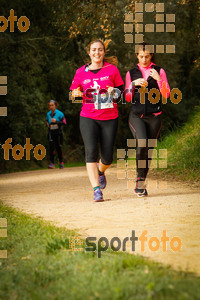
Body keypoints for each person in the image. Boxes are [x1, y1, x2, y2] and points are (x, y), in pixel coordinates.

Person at [70, 39, 124, 202]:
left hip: (109, 117)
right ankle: (96, 190)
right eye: (94, 50)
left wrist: (113, 91)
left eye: (100, 50)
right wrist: (75, 94)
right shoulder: (80, 72)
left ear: (104, 52)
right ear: (89, 52)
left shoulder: (112, 70)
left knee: (107, 157)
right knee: (91, 152)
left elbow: (121, 95)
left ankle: (101, 172)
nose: (97, 52)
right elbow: (72, 93)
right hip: (88, 117)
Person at [125, 43, 170, 197]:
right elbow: (127, 97)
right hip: (136, 116)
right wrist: (132, 84)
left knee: (149, 150)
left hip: (154, 117)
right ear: (137, 56)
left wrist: (159, 80)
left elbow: (166, 95)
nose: (144, 59)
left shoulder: (159, 71)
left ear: (151, 56)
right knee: (142, 142)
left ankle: (141, 182)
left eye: (147, 56)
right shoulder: (131, 73)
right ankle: (139, 178)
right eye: (141, 56)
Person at [46, 100, 66, 169]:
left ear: (55, 105)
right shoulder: (48, 114)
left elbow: (64, 123)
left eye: (52, 105)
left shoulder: (60, 113)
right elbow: (46, 120)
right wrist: (47, 123)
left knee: (58, 148)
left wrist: (56, 121)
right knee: (51, 148)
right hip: (51, 132)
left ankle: (61, 162)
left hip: (58, 133)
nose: (51, 107)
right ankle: (52, 163)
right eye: (49, 105)